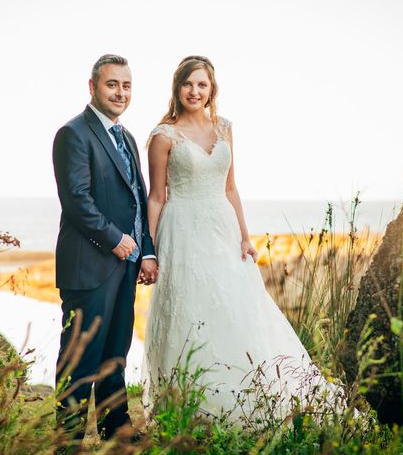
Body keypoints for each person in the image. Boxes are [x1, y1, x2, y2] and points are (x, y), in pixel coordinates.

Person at [142, 56, 337, 421]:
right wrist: (148, 252)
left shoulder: (225, 128)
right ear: (177, 88)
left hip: (223, 227)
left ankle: (243, 394)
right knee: (190, 308)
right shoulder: (163, 135)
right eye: (188, 84)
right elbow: (156, 196)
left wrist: (245, 237)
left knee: (233, 306)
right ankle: (187, 400)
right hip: (182, 228)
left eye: (202, 85)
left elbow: (231, 187)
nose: (195, 91)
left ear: (212, 89)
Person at [52, 54, 158, 444]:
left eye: (126, 85)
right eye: (112, 84)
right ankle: (68, 440)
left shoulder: (126, 136)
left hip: (125, 266)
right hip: (89, 266)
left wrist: (146, 251)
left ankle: (117, 432)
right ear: (93, 87)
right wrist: (116, 241)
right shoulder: (73, 134)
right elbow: (77, 200)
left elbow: (138, 199)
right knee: (80, 357)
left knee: (116, 351)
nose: (120, 92)